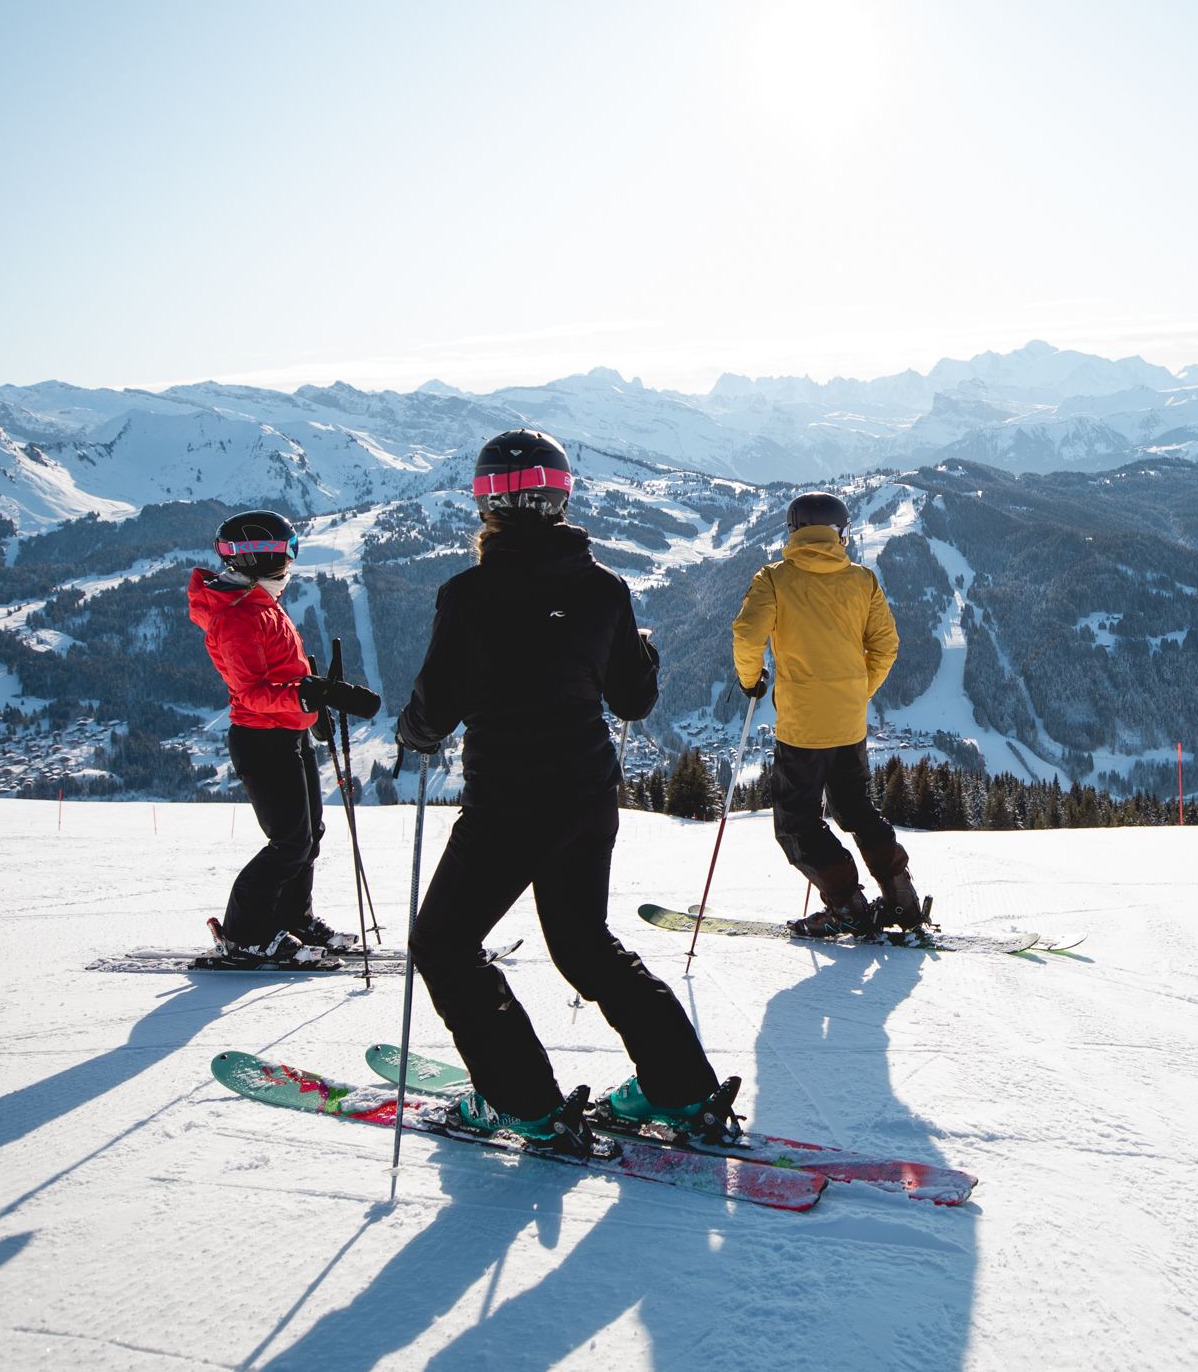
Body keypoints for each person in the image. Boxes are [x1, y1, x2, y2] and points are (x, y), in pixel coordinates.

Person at [396, 430, 734, 1153]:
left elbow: (435, 706)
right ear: (562, 494)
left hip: (507, 805)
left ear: (486, 501)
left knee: (444, 942)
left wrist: (414, 733)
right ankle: (683, 1088)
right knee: (584, 944)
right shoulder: (604, 587)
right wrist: (640, 649)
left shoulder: (467, 595)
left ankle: (522, 1101)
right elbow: (635, 700)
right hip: (586, 797)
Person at [188, 510, 379, 968]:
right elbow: (251, 693)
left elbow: (283, 673)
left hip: (287, 733)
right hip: (261, 740)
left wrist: (310, 708)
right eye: (283, 551)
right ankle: (243, 935)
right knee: (288, 842)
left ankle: (294, 918)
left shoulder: (258, 601)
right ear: (259, 557)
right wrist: (310, 694)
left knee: (309, 834)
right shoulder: (237, 617)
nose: (289, 561)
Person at [731, 491, 922, 936]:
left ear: (794, 531)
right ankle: (902, 898)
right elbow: (886, 645)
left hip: (802, 728)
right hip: (849, 722)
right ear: (840, 532)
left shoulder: (774, 579)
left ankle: (847, 906)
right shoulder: (862, 580)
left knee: (797, 824)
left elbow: (746, 634)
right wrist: (859, 691)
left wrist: (750, 680)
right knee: (856, 810)